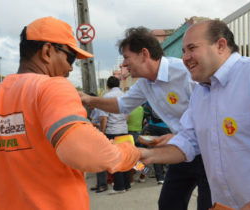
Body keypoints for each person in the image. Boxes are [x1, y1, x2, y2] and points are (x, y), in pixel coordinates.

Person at [0, 16, 140, 210]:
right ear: (47, 51)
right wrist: (127, 153)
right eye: (71, 58)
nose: (69, 68)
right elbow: (83, 151)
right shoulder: (50, 88)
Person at [139, 19, 250, 210]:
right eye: (184, 51)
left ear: (220, 45)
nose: (185, 58)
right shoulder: (200, 94)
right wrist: (145, 155)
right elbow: (188, 142)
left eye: (192, 48)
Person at [80, 27, 212, 210]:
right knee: (168, 203)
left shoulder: (184, 73)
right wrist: (89, 100)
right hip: (180, 151)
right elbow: (121, 105)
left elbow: (211, 113)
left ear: (144, 54)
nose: (124, 64)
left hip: (209, 152)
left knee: (208, 205)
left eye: (127, 57)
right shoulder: (144, 83)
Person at [98, 76, 130, 195]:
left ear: (107, 86)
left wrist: (102, 132)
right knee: (125, 157)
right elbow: (127, 116)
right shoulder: (125, 96)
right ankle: (127, 184)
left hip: (112, 131)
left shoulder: (106, 97)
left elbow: (103, 118)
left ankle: (119, 186)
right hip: (123, 130)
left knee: (115, 159)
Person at [141, 101, 169, 185]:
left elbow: (146, 112)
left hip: (153, 126)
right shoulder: (169, 96)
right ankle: (169, 175)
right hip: (167, 126)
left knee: (156, 152)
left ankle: (160, 178)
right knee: (170, 151)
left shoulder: (151, 99)